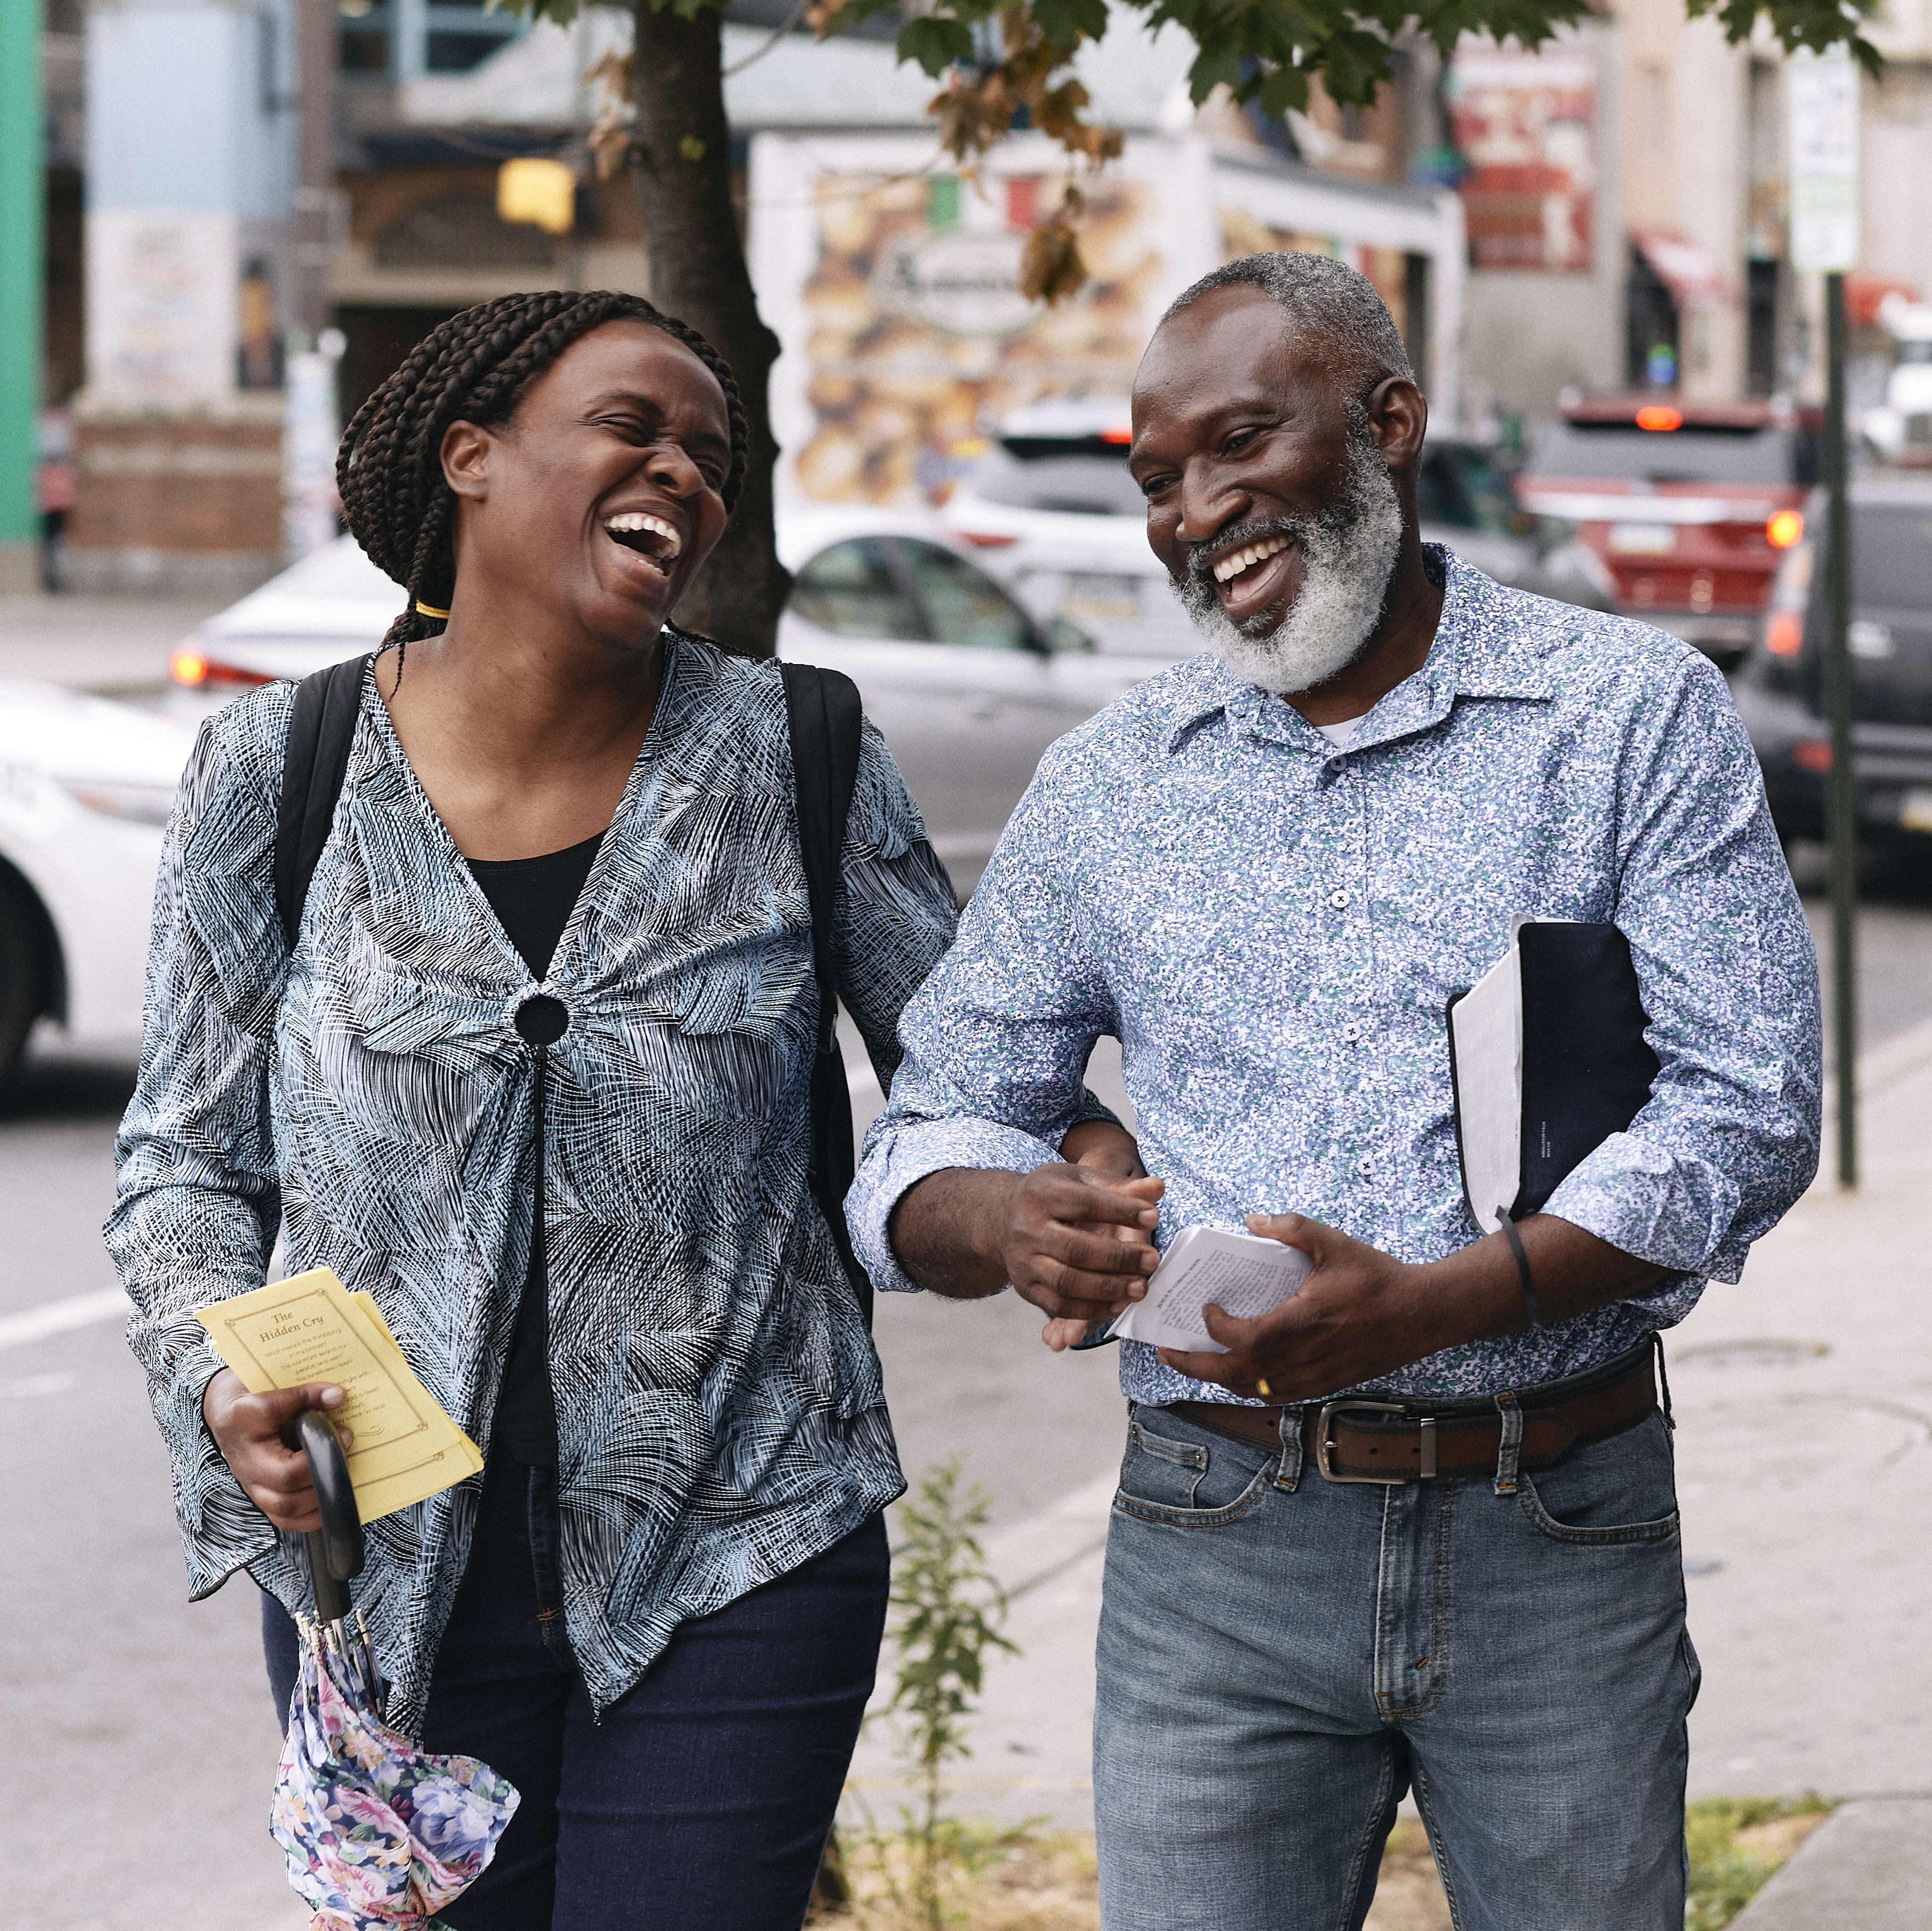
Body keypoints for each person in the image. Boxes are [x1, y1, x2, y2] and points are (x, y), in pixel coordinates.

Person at [108, 288, 1134, 1931]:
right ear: (472, 460)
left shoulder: (795, 749)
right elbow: (182, 1163)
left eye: (712, 454)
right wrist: (213, 1366)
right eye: (633, 428)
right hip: (389, 1570)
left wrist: (1067, 1160)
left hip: (744, 1538)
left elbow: (968, 1069)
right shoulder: (276, 767)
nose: (685, 472)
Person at [846, 253, 1822, 1931]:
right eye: (1160, 480)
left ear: (1388, 426)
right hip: (1214, 1543)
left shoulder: (1625, 717)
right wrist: (1017, 1221)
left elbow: (1749, 1105)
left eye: (1240, 445)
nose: (1197, 510)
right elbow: (929, 1129)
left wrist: (1448, 1301)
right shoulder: (1110, 787)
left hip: (1555, 1527)